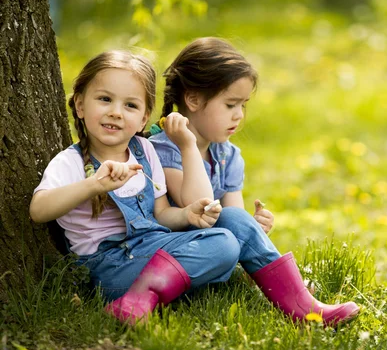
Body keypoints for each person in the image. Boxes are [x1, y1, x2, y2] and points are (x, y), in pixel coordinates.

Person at [148, 37, 360, 326]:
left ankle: (294, 296)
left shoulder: (227, 154)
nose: (239, 115)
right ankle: (299, 302)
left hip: (214, 251)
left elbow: (233, 217)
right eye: (230, 104)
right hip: (173, 256)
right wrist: (187, 145)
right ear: (194, 99)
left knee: (237, 220)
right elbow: (197, 205)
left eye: (243, 105)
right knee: (231, 222)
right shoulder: (165, 149)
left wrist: (254, 227)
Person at [29, 50, 246, 324]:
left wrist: (186, 215)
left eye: (130, 105)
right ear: (81, 105)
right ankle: (139, 300)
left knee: (224, 241)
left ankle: (144, 298)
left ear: (144, 118)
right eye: (105, 99)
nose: (115, 112)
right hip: (109, 268)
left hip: (152, 249)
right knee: (220, 248)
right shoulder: (70, 161)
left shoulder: (144, 150)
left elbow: (161, 213)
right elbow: (38, 210)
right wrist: (93, 185)